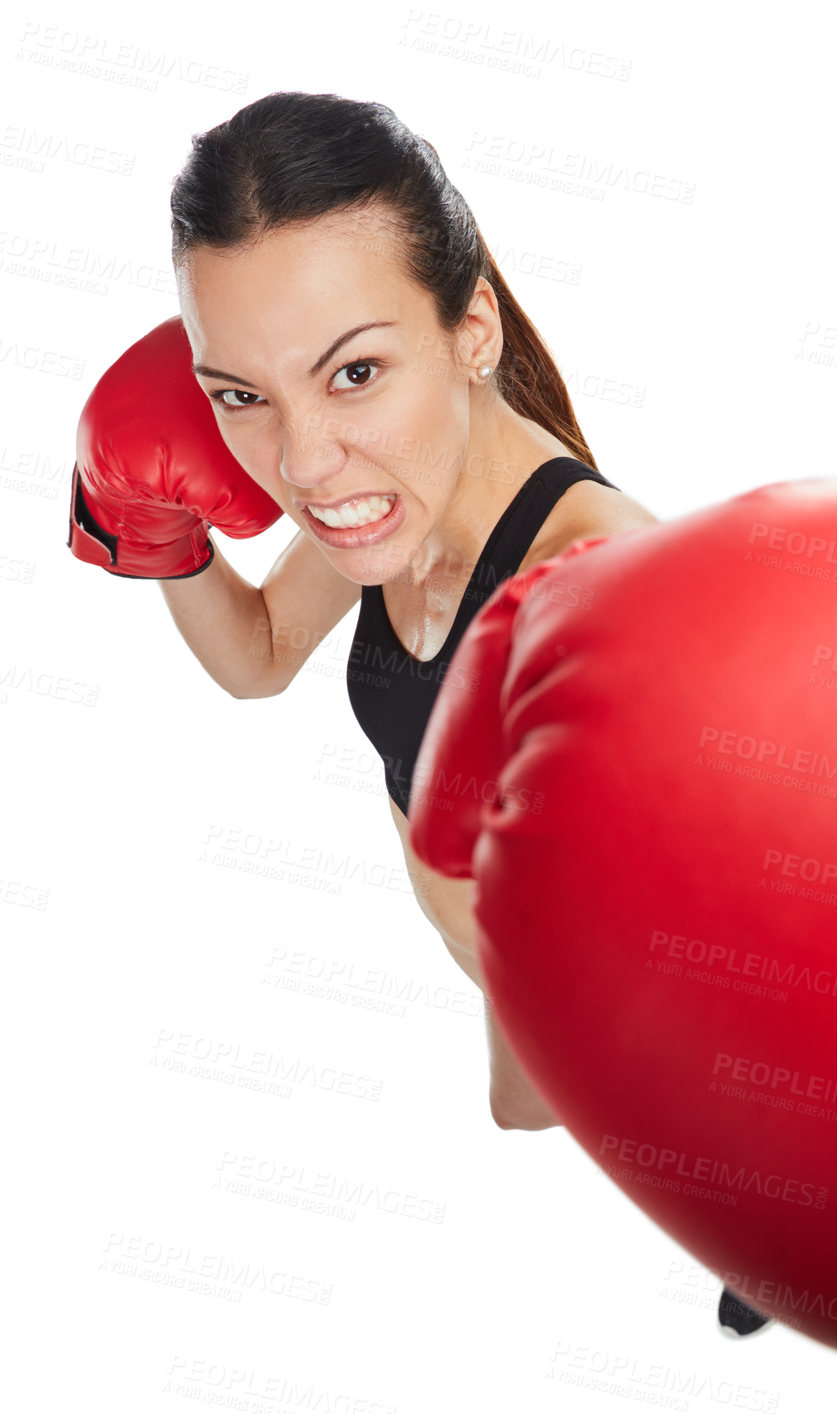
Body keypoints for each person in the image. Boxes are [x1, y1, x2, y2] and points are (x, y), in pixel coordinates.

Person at [70, 90, 769, 1337]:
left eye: (353, 371)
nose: (300, 463)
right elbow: (261, 654)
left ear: (471, 329)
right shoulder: (392, 491)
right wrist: (161, 533)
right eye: (239, 394)